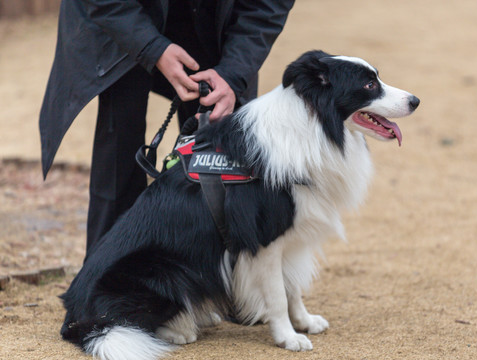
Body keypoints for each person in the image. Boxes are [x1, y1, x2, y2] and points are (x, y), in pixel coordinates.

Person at [39, 0, 295, 255]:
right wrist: (152, 47)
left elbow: (267, 5)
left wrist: (232, 73)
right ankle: (104, 279)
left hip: (209, 14)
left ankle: (214, 275)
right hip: (120, 16)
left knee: (223, 151)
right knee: (119, 140)